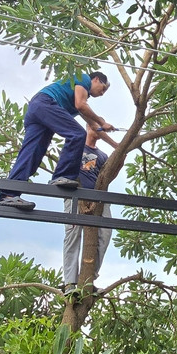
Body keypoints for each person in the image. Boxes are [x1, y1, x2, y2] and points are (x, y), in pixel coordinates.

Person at [0, 72, 114, 210]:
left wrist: (116, 145)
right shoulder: (84, 79)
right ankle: (62, 175)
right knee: (77, 134)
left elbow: (94, 126)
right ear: (96, 79)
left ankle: (8, 194)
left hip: (37, 110)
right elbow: (81, 105)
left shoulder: (78, 94)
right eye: (103, 88)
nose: (102, 94)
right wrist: (102, 121)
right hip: (46, 103)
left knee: (31, 154)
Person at [62, 125, 115, 294]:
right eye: (98, 126)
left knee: (105, 233)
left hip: (99, 198)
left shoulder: (102, 156)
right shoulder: (75, 145)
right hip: (75, 195)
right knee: (73, 234)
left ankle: (87, 280)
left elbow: (107, 177)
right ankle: (70, 283)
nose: (102, 130)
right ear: (88, 126)